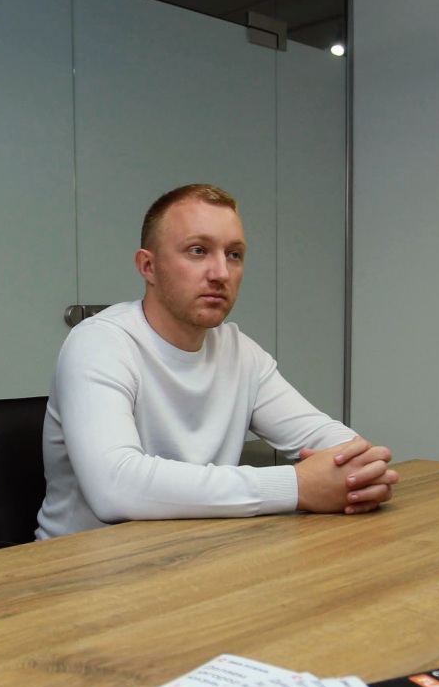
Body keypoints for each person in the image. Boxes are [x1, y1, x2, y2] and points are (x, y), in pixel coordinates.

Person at [36, 183, 398, 539]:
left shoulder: (239, 352)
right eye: (198, 250)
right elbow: (114, 488)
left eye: (234, 254)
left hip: (196, 555)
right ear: (148, 266)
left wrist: (359, 474)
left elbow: (332, 440)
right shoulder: (99, 343)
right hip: (78, 568)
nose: (221, 273)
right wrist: (297, 486)